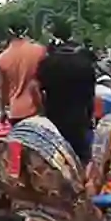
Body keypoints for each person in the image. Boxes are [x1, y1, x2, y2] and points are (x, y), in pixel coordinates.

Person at [36, 20, 96, 162]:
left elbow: (41, 90)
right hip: (79, 116)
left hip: (55, 115)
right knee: (81, 156)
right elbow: (90, 93)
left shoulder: (49, 60)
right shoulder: (84, 59)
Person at [0, 21, 46, 124]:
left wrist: (2, 111)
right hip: (37, 110)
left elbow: (2, 89)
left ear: (8, 33)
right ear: (27, 31)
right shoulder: (40, 51)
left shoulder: (2, 58)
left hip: (16, 112)